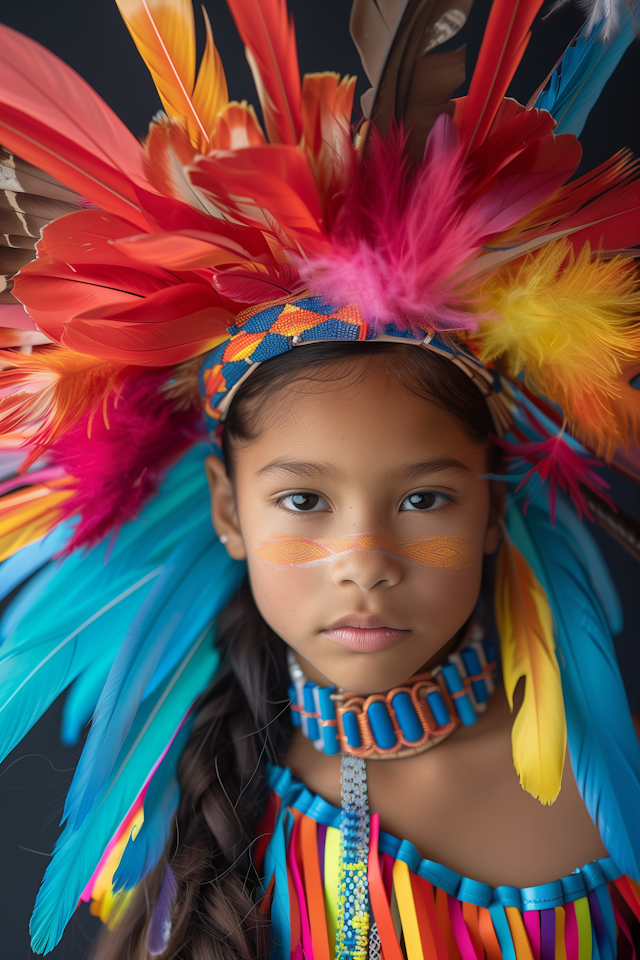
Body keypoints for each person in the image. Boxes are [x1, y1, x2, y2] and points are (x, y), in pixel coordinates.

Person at [0, 0, 640, 958]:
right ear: (229, 510)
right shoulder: (185, 811)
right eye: (303, 501)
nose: (365, 562)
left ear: (494, 508)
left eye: (424, 498)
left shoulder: (615, 787)